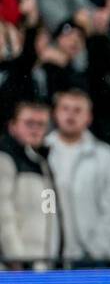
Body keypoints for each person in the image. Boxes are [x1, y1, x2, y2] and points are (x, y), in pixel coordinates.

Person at [44, 87, 110, 264]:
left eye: (78, 110)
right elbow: (44, 202)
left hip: (94, 256)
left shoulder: (104, 155)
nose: (71, 115)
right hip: (51, 256)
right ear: (55, 114)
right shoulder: (43, 152)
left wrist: (97, 247)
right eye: (65, 109)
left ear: (88, 117)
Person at [0, 99, 59, 266]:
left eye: (41, 124)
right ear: (13, 126)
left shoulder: (44, 163)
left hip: (42, 262)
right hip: (15, 266)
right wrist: (14, 257)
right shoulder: (4, 159)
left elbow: (50, 212)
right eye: (29, 123)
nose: (35, 129)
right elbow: (3, 214)